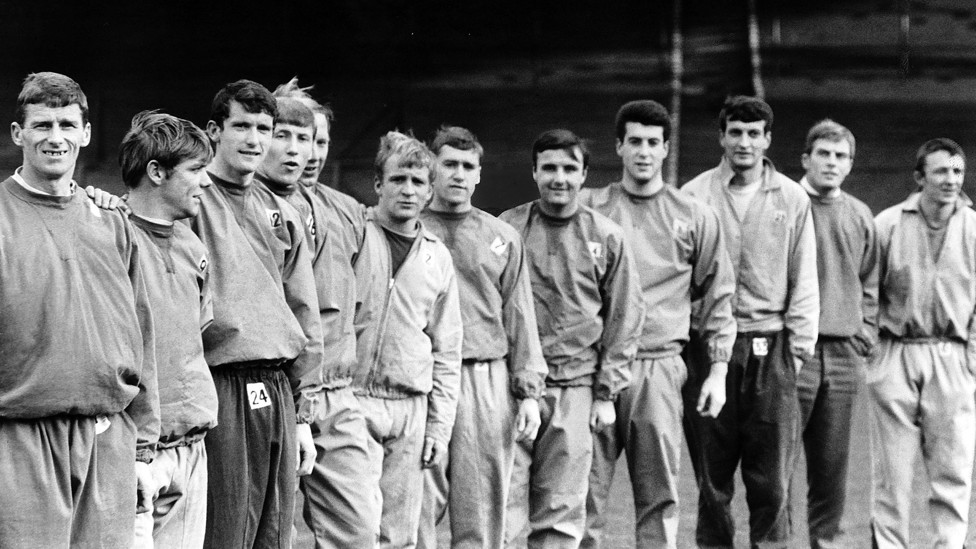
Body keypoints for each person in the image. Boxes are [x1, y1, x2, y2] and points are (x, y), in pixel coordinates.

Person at [0, 71, 158, 548]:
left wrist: (145, 451)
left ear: (86, 134)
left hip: (106, 437)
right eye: (43, 125)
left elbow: (142, 337)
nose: (56, 138)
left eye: (68, 125)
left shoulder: (111, 223)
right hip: (20, 437)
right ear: (17, 134)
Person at [580, 100, 735, 549]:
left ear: (666, 148)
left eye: (653, 143)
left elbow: (717, 298)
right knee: (583, 495)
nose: (644, 152)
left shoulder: (694, 216)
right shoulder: (592, 209)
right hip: (593, 370)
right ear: (619, 147)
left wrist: (719, 371)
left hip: (660, 368)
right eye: (635, 142)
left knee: (659, 497)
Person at [681, 95, 818, 548]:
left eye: (753, 133)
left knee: (773, 482)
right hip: (707, 350)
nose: (744, 142)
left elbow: (804, 277)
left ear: (767, 139)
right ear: (721, 136)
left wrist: (796, 352)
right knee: (711, 480)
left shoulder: (793, 197)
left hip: (771, 347)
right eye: (735, 132)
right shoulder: (695, 195)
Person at [192, 79, 323, 548]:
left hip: (277, 389)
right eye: (241, 126)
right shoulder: (191, 200)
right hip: (221, 383)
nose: (253, 140)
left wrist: (304, 414)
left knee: (274, 531)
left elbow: (306, 316)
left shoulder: (281, 213)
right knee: (226, 530)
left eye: (263, 128)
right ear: (214, 131)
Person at [501, 129, 644, 548]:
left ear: (584, 175)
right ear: (534, 172)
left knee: (561, 514)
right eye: (549, 168)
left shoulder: (606, 236)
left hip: (575, 391)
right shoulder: (508, 229)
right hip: (512, 389)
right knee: (504, 510)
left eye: (568, 168)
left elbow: (625, 317)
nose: (558, 178)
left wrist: (605, 393)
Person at [416, 126, 547, 549]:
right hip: (422, 375)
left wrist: (528, 391)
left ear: (478, 175)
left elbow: (520, 316)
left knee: (482, 503)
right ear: (431, 168)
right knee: (416, 498)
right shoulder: (408, 226)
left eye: (467, 166)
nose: (457, 173)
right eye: (448, 164)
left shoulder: (501, 237)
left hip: (483, 377)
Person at [354, 130, 462, 548]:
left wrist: (438, 428)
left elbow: (447, 349)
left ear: (430, 191)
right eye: (399, 179)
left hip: (410, 407)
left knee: (397, 534)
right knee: (353, 527)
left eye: (418, 182)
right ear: (379, 184)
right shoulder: (353, 235)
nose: (408, 189)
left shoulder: (436, 256)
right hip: (354, 398)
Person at [870, 138, 976, 548]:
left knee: (952, 470)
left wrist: (971, 361)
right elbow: (868, 291)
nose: (950, 180)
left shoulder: (973, 227)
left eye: (957, 171)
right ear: (919, 178)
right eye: (940, 172)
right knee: (891, 475)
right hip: (896, 350)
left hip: (952, 353)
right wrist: (875, 354)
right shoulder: (889, 224)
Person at [120, 111, 219, 549]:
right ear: (156, 172)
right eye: (196, 170)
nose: (207, 182)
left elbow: (193, 344)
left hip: (191, 445)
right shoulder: (110, 237)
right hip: (135, 452)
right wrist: (137, 452)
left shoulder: (193, 245)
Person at [791, 119, 878, 549]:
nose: (831, 163)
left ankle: (827, 544)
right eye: (823, 154)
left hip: (843, 356)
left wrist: (866, 332)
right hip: (793, 355)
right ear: (806, 159)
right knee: (776, 468)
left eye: (840, 156)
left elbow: (872, 281)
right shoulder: (787, 204)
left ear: (850, 164)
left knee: (831, 469)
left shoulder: (860, 214)